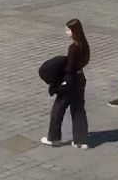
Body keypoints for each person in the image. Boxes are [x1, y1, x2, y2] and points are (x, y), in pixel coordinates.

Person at [42, 18, 90, 149]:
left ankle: (54, 138)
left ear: (74, 31)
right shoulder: (84, 44)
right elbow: (85, 61)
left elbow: (69, 68)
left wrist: (61, 82)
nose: (66, 32)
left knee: (58, 110)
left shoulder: (73, 48)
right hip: (80, 80)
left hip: (70, 82)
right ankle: (81, 140)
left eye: (68, 30)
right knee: (78, 110)